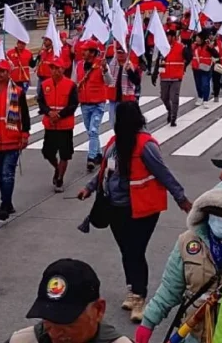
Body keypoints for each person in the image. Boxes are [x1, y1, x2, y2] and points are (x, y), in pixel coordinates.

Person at [77, 102, 192, 322]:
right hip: (115, 208)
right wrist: (89, 188)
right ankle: (132, 288)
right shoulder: (114, 143)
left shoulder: (146, 145)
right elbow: (104, 171)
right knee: (127, 251)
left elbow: (164, 174)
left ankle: (139, 296)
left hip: (142, 209)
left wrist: (181, 199)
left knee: (135, 251)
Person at [135, 180, 222, 343]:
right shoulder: (187, 242)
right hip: (193, 334)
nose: (220, 219)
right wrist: (148, 322)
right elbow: (169, 289)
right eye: (216, 213)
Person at [7, 259, 134, 343]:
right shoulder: (22, 340)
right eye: (49, 322)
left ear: (98, 309)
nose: (55, 334)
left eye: (68, 324)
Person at [0, 60, 31, 220]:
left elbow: (25, 115)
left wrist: (25, 134)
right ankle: (8, 202)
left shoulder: (18, 91)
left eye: (2, 71)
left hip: (12, 139)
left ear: (8, 73)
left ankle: (4, 205)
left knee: (7, 174)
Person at [39, 60, 79, 192]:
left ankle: (60, 179)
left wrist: (59, 115)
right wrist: (49, 112)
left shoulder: (71, 85)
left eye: (58, 68)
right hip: (50, 125)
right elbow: (41, 102)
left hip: (65, 125)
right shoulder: (45, 84)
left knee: (64, 154)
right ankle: (57, 168)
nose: (55, 71)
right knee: (47, 152)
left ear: (63, 69)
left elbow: (73, 105)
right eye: (53, 68)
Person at [76, 42, 114, 172]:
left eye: (86, 50)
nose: (83, 53)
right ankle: (98, 154)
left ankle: (91, 158)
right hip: (84, 104)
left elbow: (109, 81)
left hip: (98, 104)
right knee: (90, 131)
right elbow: (75, 81)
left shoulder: (101, 64)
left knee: (93, 130)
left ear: (92, 53)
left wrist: (105, 70)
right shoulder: (79, 65)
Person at [152, 30, 186, 128]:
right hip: (164, 77)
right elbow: (158, 61)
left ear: (173, 37)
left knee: (174, 98)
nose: (167, 38)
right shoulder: (162, 48)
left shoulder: (181, 47)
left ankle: (173, 118)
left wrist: (183, 67)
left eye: (168, 36)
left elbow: (188, 57)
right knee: (164, 97)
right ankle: (170, 110)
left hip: (176, 77)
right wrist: (155, 74)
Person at [107, 46, 142, 123]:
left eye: (122, 52)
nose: (120, 54)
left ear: (126, 53)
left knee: (124, 121)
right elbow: (106, 79)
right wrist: (104, 70)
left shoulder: (131, 66)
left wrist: (129, 71)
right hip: (113, 97)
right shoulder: (111, 65)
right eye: (118, 52)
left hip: (126, 98)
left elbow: (137, 81)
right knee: (113, 120)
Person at [189, 31, 218, 107]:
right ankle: (200, 97)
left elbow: (216, 54)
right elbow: (188, 54)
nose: (197, 39)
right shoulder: (194, 46)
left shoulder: (208, 46)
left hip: (206, 68)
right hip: (196, 68)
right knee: (198, 84)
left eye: (199, 38)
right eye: (196, 37)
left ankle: (205, 99)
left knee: (205, 84)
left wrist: (211, 48)